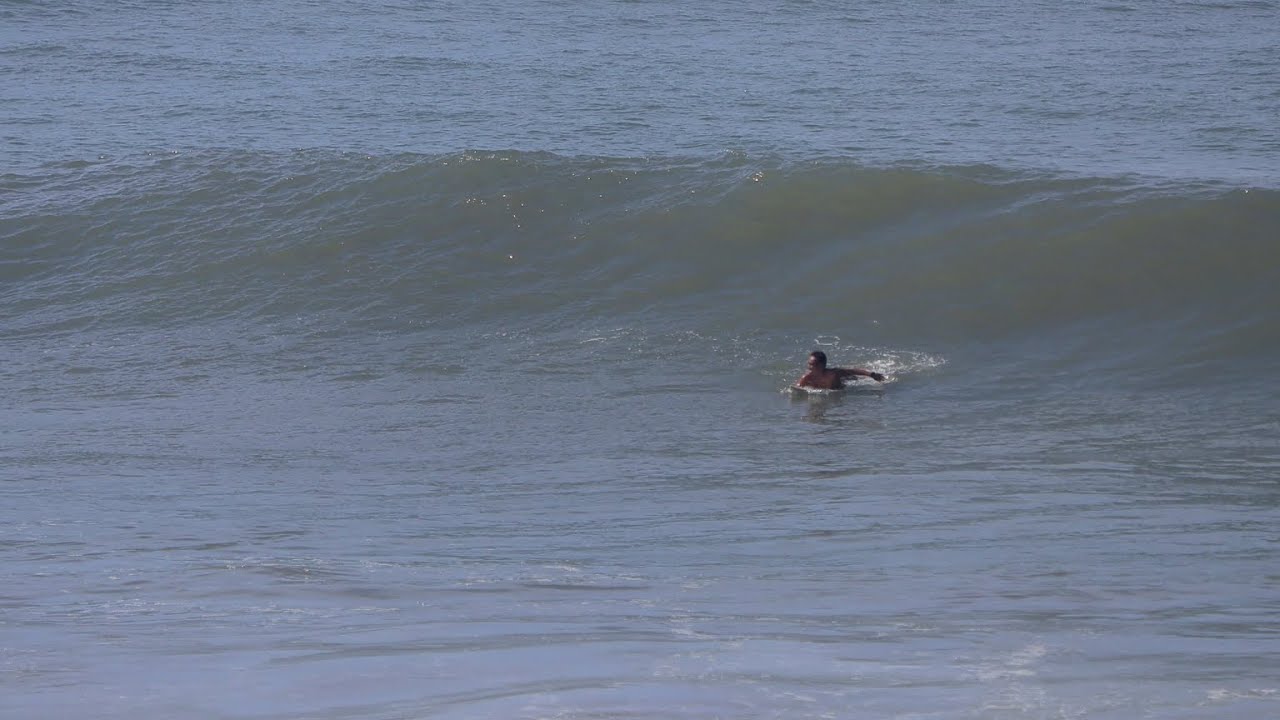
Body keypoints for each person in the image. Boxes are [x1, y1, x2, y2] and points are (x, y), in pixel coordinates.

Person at [794, 350, 886, 389]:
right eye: (808, 364)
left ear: (821, 366)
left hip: (842, 386)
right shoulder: (807, 377)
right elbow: (796, 389)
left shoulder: (833, 374)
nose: (808, 367)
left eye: (812, 365)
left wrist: (871, 375)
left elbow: (853, 371)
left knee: (851, 377)